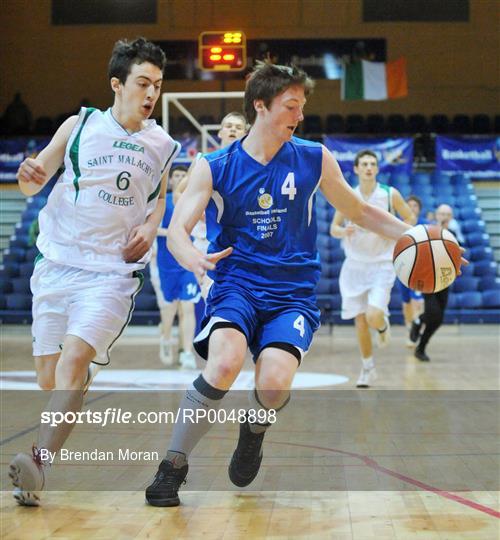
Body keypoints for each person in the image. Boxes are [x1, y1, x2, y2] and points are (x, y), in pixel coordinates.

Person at [144, 62, 418, 508]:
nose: (299, 115)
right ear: (260, 105)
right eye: (291, 106)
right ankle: (172, 466)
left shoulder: (313, 156)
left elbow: (360, 210)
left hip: (292, 293)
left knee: (272, 384)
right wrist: (191, 256)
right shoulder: (214, 165)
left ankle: (253, 431)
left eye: (302, 106)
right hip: (237, 284)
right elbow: (177, 231)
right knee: (225, 364)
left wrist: (418, 233)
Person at [9, 37, 180, 506]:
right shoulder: (80, 125)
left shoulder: (162, 144)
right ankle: (76, 386)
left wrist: (151, 225)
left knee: (72, 365)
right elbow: (35, 178)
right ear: (116, 84)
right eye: (143, 82)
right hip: (58, 262)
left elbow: (158, 197)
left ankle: (38, 465)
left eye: (158, 85)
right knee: (50, 378)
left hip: (111, 272)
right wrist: (29, 176)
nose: (151, 94)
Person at [330, 150, 416, 388]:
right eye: (364, 164)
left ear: (377, 169)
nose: (369, 167)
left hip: (382, 263)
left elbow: (410, 219)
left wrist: (391, 230)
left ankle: (383, 325)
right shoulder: (348, 195)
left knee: (373, 316)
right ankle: (368, 368)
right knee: (359, 321)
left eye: (373, 164)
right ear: (356, 169)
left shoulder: (389, 194)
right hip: (354, 265)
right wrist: (342, 231)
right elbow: (334, 228)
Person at [150, 164, 201, 368]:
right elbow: (152, 229)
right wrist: (174, 233)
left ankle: (187, 352)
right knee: (169, 310)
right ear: (170, 180)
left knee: (187, 307)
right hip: (166, 263)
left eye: (183, 175)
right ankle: (166, 338)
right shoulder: (162, 203)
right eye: (176, 176)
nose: (179, 179)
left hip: (187, 262)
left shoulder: (195, 201)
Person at [409, 203, 462, 361]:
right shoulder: (427, 231)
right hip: (428, 278)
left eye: (447, 214)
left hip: (445, 279)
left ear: (451, 217)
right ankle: (418, 322)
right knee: (434, 313)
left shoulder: (453, 234)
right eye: (442, 214)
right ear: (436, 215)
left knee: (438, 319)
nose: (444, 217)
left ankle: (421, 346)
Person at [399, 195, 426, 344]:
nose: (411, 208)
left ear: (419, 209)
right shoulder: (397, 225)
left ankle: (417, 334)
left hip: (419, 270)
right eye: (408, 205)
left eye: (414, 205)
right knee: (406, 304)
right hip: (402, 270)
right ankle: (410, 330)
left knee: (418, 303)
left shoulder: (425, 226)